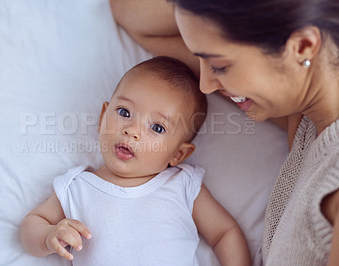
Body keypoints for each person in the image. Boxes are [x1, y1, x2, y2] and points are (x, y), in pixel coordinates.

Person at [110, 0, 339, 265]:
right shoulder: (306, 116)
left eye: (220, 66)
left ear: (302, 46)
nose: (205, 86)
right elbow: (129, 12)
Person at [19, 56, 251, 266]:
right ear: (102, 117)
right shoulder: (77, 186)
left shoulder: (183, 184)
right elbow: (32, 225)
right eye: (124, 112)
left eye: (157, 127)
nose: (132, 130)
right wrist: (49, 236)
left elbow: (224, 233)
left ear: (177, 155)